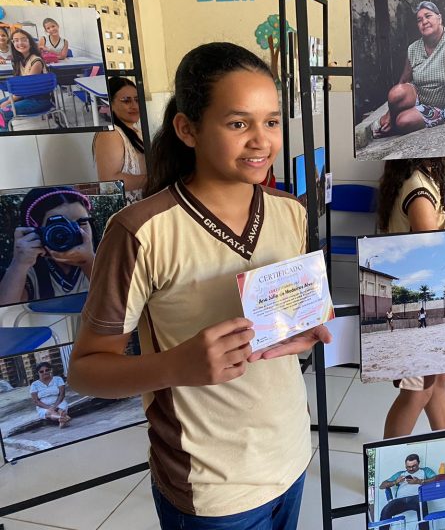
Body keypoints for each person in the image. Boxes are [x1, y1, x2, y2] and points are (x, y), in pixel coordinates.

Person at [67, 42, 332, 530]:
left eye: (271, 121)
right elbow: (83, 372)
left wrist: (302, 329)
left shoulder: (289, 211)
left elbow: (280, 327)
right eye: (238, 123)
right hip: (212, 489)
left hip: (290, 454)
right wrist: (175, 365)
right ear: (188, 129)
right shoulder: (140, 231)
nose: (261, 141)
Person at [377, 157, 445, 438]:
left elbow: (437, 235)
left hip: (422, 299)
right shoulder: (418, 189)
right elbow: (436, 257)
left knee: (438, 380)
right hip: (414, 307)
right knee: (417, 392)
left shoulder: (422, 176)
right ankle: (388, 461)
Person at [375, 1, 445, 137]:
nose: (424, 21)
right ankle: (391, 121)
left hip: (441, 106)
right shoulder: (413, 48)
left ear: (439, 18)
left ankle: (396, 124)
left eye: (428, 16)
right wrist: (389, 113)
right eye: (419, 20)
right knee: (395, 94)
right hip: (418, 96)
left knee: (403, 122)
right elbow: (404, 80)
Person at [0, 187, 95, 306]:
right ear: (35, 232)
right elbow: (5, 312)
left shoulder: (104, 262)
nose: (72, 231)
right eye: (59, 226)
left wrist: (89, 263)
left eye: (81, 223)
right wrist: (19, 264)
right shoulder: (29, 273)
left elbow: (122, 300)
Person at [93, 77, 146, 204]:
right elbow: (110, 182)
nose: (134, 106)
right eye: (126, 101)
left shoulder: (136, 130)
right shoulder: (110, 133)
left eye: (137, 100)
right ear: (110, 104)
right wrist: (152, 179)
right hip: (124, 212)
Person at [0, 29, 50, 132]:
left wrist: (9, 102)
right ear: (13, 43)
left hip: (38, 101)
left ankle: (6, 139)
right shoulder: (18, 60)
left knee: (1, 113)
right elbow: (19, 89)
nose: (20, 43)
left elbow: (25, 90)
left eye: (23, 40)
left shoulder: (36, 61)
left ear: (30, 43)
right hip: (24, 98)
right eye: (16, 40)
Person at [377, 454, 436, 530]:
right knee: (386, 510)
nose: (411, 469)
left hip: (417, 498)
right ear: (405, 465)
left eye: (414, 466)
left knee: (422, 504)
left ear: (419, 463)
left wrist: (419, 481)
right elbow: (382, 485)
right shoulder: (401, 474)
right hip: (400, 501)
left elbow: (435, 479)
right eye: (408, 467)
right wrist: (395, 481)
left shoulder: (425, 471)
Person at [29, 362, 71, 428]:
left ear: (50, 370)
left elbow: (62, 395)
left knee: (60, 410)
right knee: (49, 413)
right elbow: (36, 401)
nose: (45, 372)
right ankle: (62, 418)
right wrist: (49, 408)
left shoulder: (58, 379)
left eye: (47, 370)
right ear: (38, 373)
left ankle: (61, 417)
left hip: (59, 402)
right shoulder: (34, 385)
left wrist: (54, 406)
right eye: (41, 371)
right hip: (43, 406)